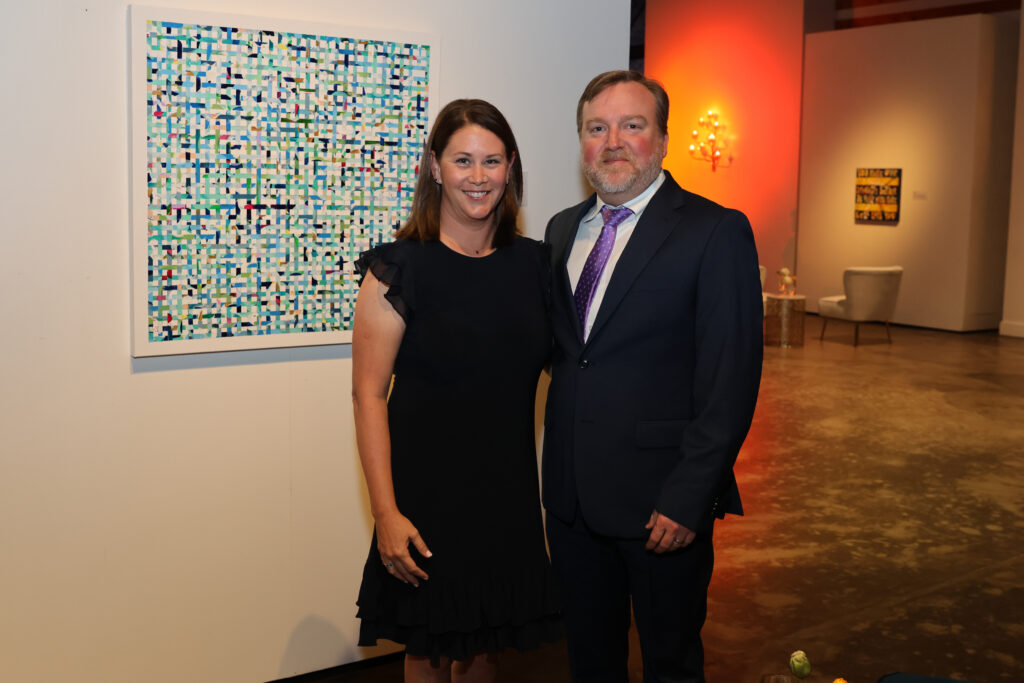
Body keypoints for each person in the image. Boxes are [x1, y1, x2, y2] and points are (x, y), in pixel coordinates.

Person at [542, 70, 763, 683]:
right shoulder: (562, 230)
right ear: (581, 142)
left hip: (661, 510)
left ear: (663, 140)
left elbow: (731, 382)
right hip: (571, 503)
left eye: (631, 125)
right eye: (596, 128)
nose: (612, 141)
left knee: (670, 664)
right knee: (589, 660)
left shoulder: (714, 231)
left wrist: (689, 496)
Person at [351, 99, 561, 683]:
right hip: (425, 504)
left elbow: (574, 371)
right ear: (436, 167)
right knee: (429, 650)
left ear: (511, 167)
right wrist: (386, 513)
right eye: (463, 160)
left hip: (506, 501)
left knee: (484, 650)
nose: (477, 176)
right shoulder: (399, 269)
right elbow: (367, 396)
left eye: (491, 161)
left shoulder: (538, 267)